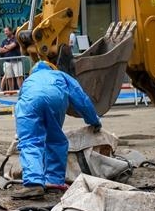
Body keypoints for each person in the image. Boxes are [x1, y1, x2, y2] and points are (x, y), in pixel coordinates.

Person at [12, 60, 102, 199]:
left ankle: (33, 183)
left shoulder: (29, 80)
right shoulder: (60, 75)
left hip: (31, 103)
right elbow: (81, 99)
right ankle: (53, 181)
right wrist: (94, 120)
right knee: (55, 140)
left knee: (31, 142)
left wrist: (20, 132)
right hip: (56, 99)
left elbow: (21, 102)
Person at [0, 26, 24, 91]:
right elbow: (0, 50)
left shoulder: (16, 39)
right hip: (7, 61)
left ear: (11, 31)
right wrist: (8, 47)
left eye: (6, 31)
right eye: (4, 31)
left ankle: (21, 91)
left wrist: (6, 47)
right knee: (9, 77)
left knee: (19, 76)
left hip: (16, 61)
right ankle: (11, 91)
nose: (5, 33)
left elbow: (12, 46)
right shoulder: (4, 41)